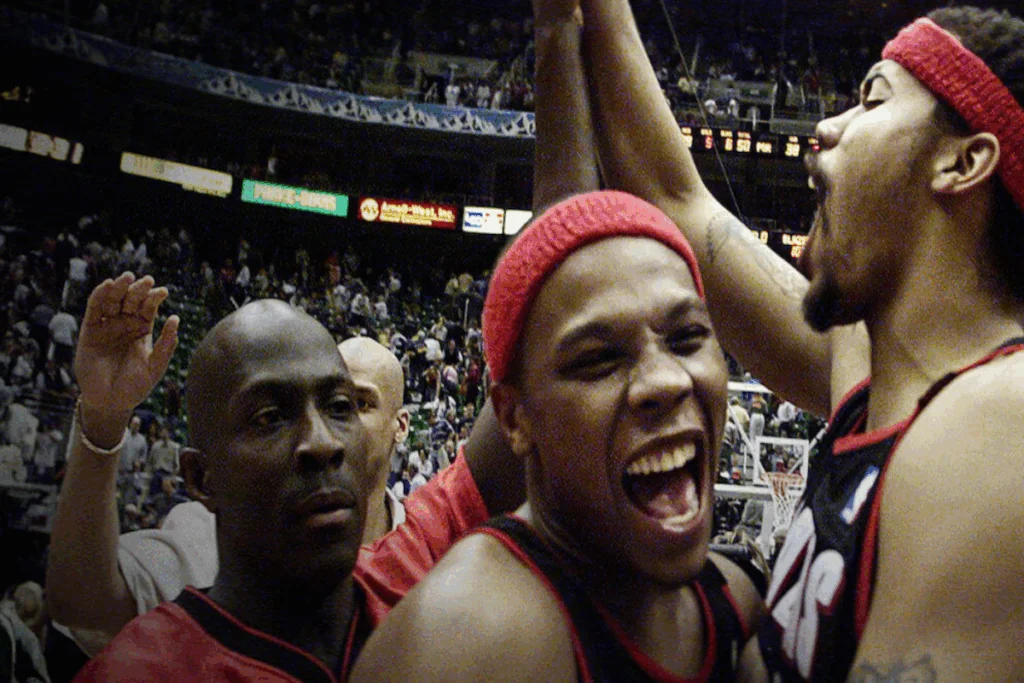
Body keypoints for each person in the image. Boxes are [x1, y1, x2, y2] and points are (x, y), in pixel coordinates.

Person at [576, 0, 1024, 678]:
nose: (826, 128)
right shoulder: (875, 374)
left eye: (872, 101)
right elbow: (673, 198)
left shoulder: (1001, 423)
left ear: (963, 162)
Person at [351, 3, 762, 679]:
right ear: (513, 416)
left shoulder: (731, 602)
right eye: (600, 358)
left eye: (688, 336)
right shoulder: (466, 642)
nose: (666, 379)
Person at [47, 274, 525, 670]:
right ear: (201, 479)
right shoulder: (158, 648)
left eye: (344, 406)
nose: (322, 441)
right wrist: (104, 419)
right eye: (270, 418)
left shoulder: (411, 551)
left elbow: (531, 365)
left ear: (401, 426)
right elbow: (81, 600)